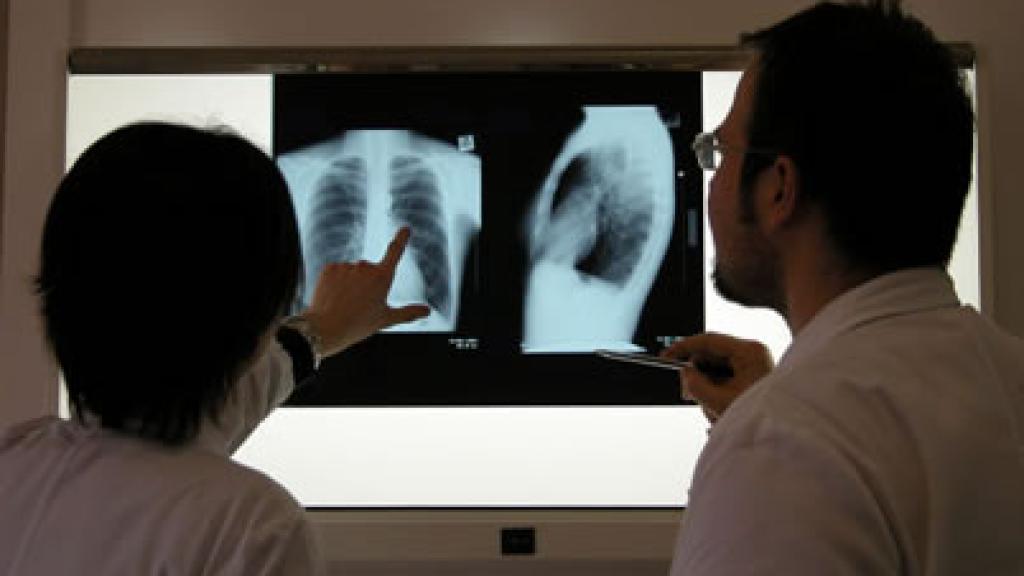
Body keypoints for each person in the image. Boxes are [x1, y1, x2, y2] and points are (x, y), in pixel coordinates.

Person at [663, 1, 1024, 574]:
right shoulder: (1008, 374)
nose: (712, 177)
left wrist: (780, 422)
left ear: (779, 188)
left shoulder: (777, 449)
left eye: (719, 152)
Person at [0, 122, 428, 575]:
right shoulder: (252, 526)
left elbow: (194, 421)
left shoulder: (17, 462)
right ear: (260, 319)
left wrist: (318, 331)